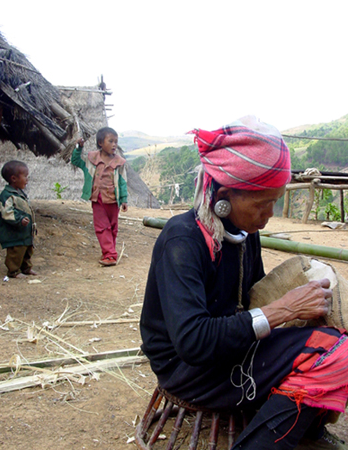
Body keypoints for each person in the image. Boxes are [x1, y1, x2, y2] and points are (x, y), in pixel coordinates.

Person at [140, 116, 348, 449]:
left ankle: (301, 424)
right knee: (334, 353)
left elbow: (251, 299)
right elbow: (192, 342)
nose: (268, 214)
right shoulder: (181, 240)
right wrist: (283, 309)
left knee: (334, 337)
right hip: (187, 368)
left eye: (274, 202)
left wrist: (298, 310)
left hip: (231, 347)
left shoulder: (242, 232)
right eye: (262, 203)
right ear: (224, 196)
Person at [71, 127, 128, 266]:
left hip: (113, 201)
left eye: (116, 141)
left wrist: (124, 199)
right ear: (100, 143)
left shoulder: (119, 163)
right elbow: (75, 160)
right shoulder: (92, 159)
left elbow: (122, 182)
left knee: (113, 227)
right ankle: (110, 255)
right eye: (111, 141)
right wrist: (79, 147)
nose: (114, 144)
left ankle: (109, 251)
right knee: (102, 227)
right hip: (98, 199)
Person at [0, 160, 37, 279]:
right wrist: (19, 219)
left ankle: (26, 268)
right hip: (14, 233)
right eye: (25, 177)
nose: (27, 180)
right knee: (16, 252)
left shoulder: (19, 193)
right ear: (14, 178)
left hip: (23, 232)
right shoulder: (6, 196)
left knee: (27, 250)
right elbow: (7, 213)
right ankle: (14, 271)